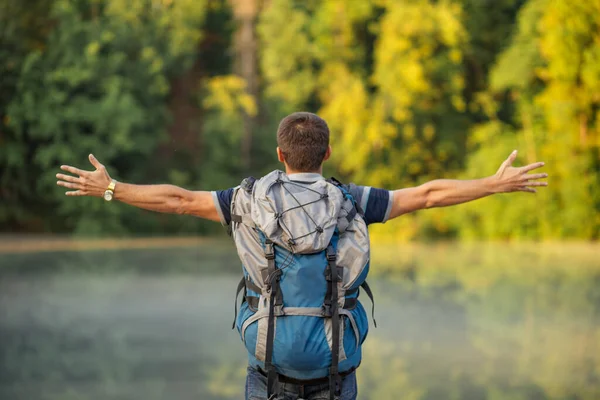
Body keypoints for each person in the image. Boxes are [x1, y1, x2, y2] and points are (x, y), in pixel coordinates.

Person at [56, 112, 548, 400]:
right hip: (336, 372)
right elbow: (427, 194)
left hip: (268, 370)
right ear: (326, 154)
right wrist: (495, 184)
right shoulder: (353, 201)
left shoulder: (247, 202)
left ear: (280, 155)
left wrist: (112, 189)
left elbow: (179, 200)